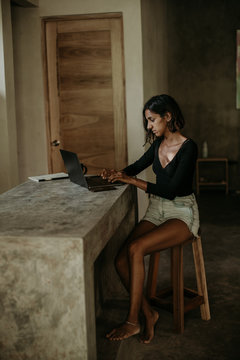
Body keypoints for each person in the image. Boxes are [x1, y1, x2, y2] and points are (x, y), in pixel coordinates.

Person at [101, 94, 199, 343]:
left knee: (136, 248)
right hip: (157, 210)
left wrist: (131, 181)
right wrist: (117, 173)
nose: (149, 126)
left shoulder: (189, 147)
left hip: (181, 212)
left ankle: (132, 321)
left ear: (168, 117)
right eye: (147, 121)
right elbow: (135, 167)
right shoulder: (157, 145)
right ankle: (148, 312)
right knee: (121, 260)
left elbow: (171, 190)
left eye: (152, 120)